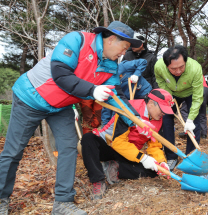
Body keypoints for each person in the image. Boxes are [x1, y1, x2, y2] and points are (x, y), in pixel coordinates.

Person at [0, 21, 143, 215]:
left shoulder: (110, 66)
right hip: (31, 98)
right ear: (111, 39)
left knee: (68, 148)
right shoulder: (77, 40)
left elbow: (116, 96)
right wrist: (92, 90)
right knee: (13, 151)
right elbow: (60, 74)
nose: (123, 54)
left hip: (60, 107)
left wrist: (136, 119)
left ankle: (62, 202)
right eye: (124, 48)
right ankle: (1, 198)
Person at [81, 89, 173, 200]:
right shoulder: (128, 109)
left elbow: (154, 145)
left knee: (154, 171)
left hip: (128, 153)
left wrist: (161, 162)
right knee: (88, 139)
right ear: (151, 103)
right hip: (109, 146)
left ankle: (116, 167)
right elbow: (118, 142)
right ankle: (98, 180)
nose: (164, 113)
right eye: (162, 109)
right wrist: (142, 158)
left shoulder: (158, 119)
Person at [154, 45, 203, 170]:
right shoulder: (159, 67)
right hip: (171, 93)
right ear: (166, 66)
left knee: (194, 124)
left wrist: (190, 119)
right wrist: (168, 97)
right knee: (166, 120)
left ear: (185, 61)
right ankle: (171, 157)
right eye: (173, 69)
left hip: (190, 93)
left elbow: (198, 97)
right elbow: (160, 81)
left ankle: (191, 157)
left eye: (181, 67)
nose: (178, 71)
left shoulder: (195, 68)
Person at [100, 59, 152, 126]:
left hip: (143, 92)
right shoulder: (106, 83)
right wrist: (105, 124)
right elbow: (108, 105)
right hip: (129, 99)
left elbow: (143, 62)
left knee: (146, 116)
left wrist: (136, 74)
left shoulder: (122, 66)